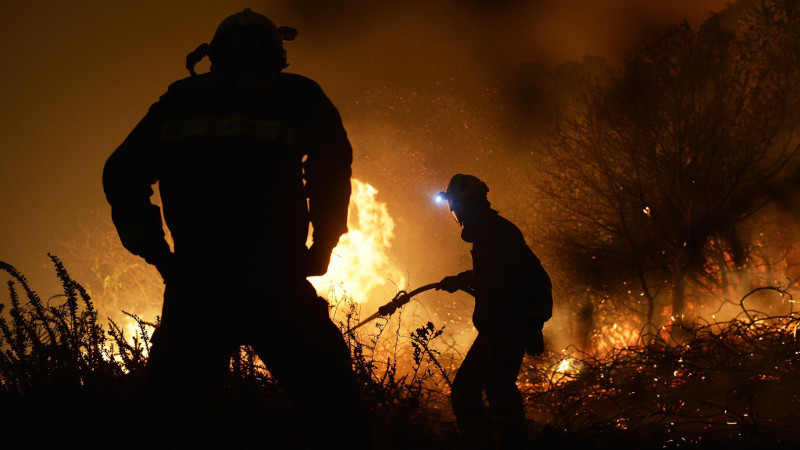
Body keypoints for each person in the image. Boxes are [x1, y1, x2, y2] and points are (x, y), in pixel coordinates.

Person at [102, 9, 373, 449]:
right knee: (336, 413)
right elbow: (331, 169)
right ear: (277, 55)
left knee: (171, 423)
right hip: (276, 283)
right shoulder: (297, 96)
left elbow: (121, 173)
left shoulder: (180, 101)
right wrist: (322, 245)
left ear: (214, 56)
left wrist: (158, 253)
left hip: (198, 286)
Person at [435, 174, 553, 450]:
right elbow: (492, 275)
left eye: (458, 207)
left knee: (493, 388)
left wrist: (533, 326)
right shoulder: (490, 233)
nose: (457, 214)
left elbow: (532, 280)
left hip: (508, 327)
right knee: (471, 390)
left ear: (470, 205)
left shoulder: (499, 234)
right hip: (496, 328)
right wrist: (461, 280)